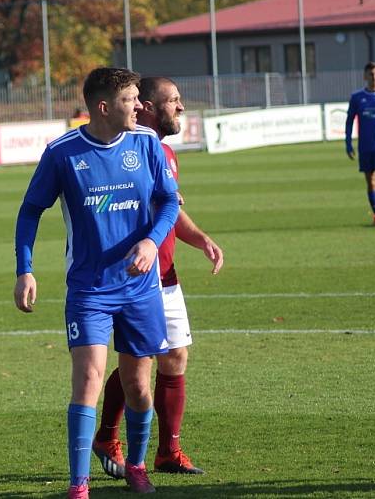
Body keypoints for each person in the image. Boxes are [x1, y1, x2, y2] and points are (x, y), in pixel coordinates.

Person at [14, 67, 180, 497]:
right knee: (88, 379)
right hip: (89, 289)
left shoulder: (146, 144)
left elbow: (166, 202)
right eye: (131, 100)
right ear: (104, 107)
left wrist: (150, 241)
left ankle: (138, 465)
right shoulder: (63, 153)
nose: (140, 107)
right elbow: (30, 210)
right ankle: (78, 483)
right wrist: (25, 268)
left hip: (140, 288)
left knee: (138, 385)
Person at [92, 77, 223, 480]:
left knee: (175, 356)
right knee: (140, 366)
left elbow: (169, 208)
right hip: (136, 275)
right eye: (173, 101)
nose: (181, 108)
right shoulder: (131, 148)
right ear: (148, 107)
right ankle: (108, 438)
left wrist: (199, 237)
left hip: (165, 271)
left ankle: (168, 452)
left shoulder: (164, 151)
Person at [345, 61, 375, 227]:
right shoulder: (357, 97)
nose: (374, 77)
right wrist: (348, 142)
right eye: (371, 74)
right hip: (365, 146)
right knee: (370, 182)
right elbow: (350, 119)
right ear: (365, 76)